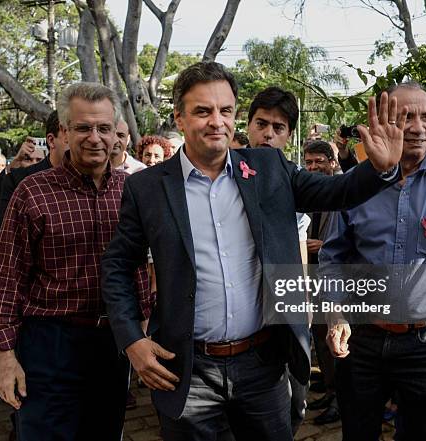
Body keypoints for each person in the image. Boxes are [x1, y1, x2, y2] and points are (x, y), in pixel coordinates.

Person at [101, 61, 406, 441]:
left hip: (263, 365)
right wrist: (131, 338)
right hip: (188, 369)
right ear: (179, 118)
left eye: (225, 111)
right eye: (203, 111)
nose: (217, 121)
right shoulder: (146, 188)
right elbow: (117, 266)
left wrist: (378, 168)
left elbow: (335, 192)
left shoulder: (268, 167)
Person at [0, 83, 152, 441]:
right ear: (64, 133)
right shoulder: (32, 191)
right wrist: (3, 357)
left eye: (104, 128)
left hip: (113, 340)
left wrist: (142, 326)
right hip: (49, 342)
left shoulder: (132, 191)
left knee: (104, 431)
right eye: (83, 128)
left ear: (118, 133)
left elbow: (138, 267)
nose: (95, 138)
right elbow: (7, 277)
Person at [319, 82, 426, 441]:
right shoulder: (354, 184)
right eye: (406, 116)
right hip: (363, 341)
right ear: (385, 121)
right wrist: (335, 313)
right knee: (358, 433)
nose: (418, 127)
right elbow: (333, 255)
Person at [246, 85, 310, 434]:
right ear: (248, 124)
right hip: (240, 318)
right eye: (261, 124)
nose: (267, 134)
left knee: (294, 403)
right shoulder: (225, 173)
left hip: (283, 308)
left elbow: (298, 246)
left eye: (278, 128)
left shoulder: (293, 179)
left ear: (288, 135)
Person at [302, 140, 341, 425]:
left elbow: (354, 237)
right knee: (319, 333)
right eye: (309, 162)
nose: (313, 167)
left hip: (337, 279)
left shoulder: (343, 189)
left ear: (332, 162)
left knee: (336, 336)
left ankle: (341, 400)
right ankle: (329, 388)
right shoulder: (310, 191)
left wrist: (324, 244)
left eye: (319, 161)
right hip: (313, 275)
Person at [0, 110, 68, 251]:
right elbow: (1, 242)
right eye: (72, 131)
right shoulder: (19, 181)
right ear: (51, 140)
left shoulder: (101, 182)